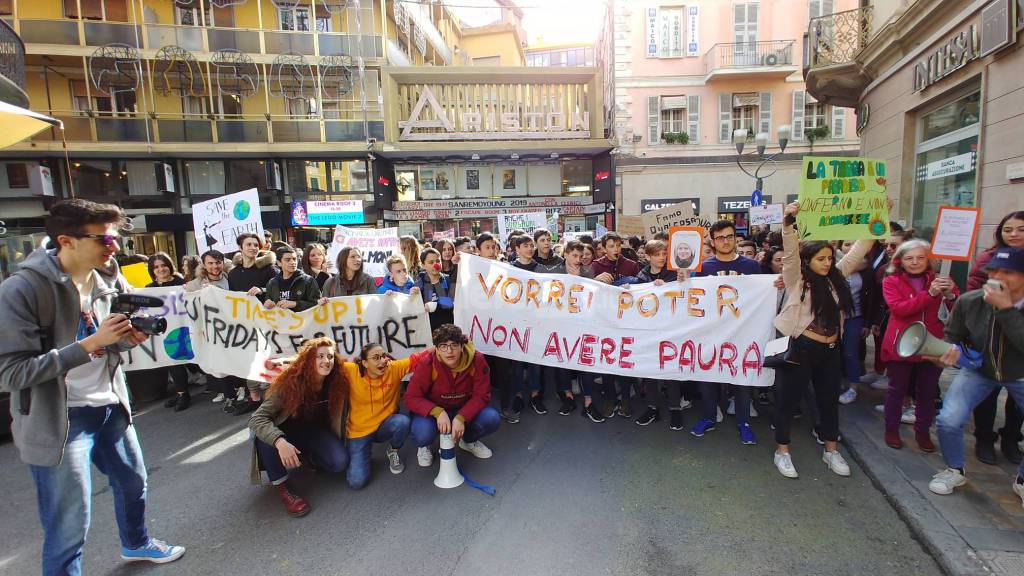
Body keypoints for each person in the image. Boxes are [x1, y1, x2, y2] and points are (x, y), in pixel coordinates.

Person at [0, 199, 185, 572]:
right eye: (103, 240)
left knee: (134, 483)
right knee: (69, 521)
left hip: (110, 405)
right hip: (59, 420)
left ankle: (137, 543)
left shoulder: (110, 279)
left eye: (115, 238)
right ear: (66, 241)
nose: (114, 248)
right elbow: (12, 373)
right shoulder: (21, 289)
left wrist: (123, 340)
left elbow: (107, 339)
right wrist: (91, 344)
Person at [772, 201, 875, 479]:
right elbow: (791, 254)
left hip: (830, 348)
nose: (827, 263)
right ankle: (782, 451)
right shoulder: (796, 279)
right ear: (809, 261)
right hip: (801, 347)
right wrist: (788, 224)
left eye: (830, 258)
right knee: (788, 400)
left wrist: (878, 216)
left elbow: (859, 249)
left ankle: (831, 449)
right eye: (821, 259)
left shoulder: (836, 278)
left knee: (828, 400)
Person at [928, 246, 1024, 507]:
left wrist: (1006, 309)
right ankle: (954, 469)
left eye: (1008, 272)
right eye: (993, 270)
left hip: (1020, 374)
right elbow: (952, 336)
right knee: (949, 419)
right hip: (979, 371)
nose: (997, 277)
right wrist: (942, 353)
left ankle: (1022, 481)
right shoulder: (970, 301)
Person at [248, 337, 349, 517]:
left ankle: (308, 458)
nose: (326, 361)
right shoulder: (289, 383)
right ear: (309, 359)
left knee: (339, 462)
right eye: (320, 356)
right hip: (283, 432)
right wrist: (280, 442)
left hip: (310, 431)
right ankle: (284, 489)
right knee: (267, 441)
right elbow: (257, 419)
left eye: (330, 357)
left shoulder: (336, 380)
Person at [879, 239, 958, 451]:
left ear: (929, 259)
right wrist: (929, 294)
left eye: (921, 257)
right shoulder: (891, 281)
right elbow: (899, 309)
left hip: (931, 345)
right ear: (900, 261)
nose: (915, 262)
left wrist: (950, 295)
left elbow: (957, 311)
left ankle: (922, 432)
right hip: (902, 342)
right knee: (897, 390)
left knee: (927, 391)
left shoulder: (941, 280)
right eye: (909, 258)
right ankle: (891, 429)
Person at [691, 220, 763, 445]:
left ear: (735, 238)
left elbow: (762, 296)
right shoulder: (703, 267)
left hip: (742, 331)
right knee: (707, 376)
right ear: (713, 241)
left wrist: (775, 285)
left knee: (741, 377)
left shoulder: (751, 267)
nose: (725, 241)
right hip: (711, 332)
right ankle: (709, 416)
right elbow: (694, 299)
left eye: (730, 236)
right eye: (720, 237)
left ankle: (743, 422)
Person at [967, 211, 1024, 464]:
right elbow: (972, 291)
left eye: (1021, 229)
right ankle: (984, 438)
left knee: (1017, 395)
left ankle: (1012, 438)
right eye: (1008, 229)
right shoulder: (987, 258)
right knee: (986, 389)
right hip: (990, 338)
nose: (1014, 234)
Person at [404, 324, 501, 466]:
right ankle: (424, 446)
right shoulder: (427, 363)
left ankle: (468, 440)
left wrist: (462, 417)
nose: (449, 351)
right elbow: (411, 397)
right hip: (434, 411)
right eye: (443, 346)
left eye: (454, 345)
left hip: (462, 408)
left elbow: (482, 395)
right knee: (422, 434)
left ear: (462, 346)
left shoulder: (477, 360)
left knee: (491, 418)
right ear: (437, 349)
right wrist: (437, 412)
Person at [341, 341, 432, 489]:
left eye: (383, 356)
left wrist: (444, 343)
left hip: (385, 426)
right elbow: (327, 362)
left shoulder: (393, 368)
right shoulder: (351, 371)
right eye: (376, 358)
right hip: (358, 433)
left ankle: (393, 450)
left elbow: (420, 357)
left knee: (403, 422)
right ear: (364, 362)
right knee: (356, 482)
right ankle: (362, 453)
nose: (383, 360)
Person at [631, 239, 691, 430]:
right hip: (649, 331)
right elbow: (637, 298)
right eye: (657, 255)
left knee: (670, 369)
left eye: (664, 254)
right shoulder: (641, 276)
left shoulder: (674, 273)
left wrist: (671, 284)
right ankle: (652, 407)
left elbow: (684, 290)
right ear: (647, 256)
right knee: (650, 370)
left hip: (670, 329)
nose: (662, 258)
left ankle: (675, 408)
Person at [227, 232, 279, 415]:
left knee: (268, 359)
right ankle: (254, 399)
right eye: (249, 244)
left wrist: (263, 290)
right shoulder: (233, 274)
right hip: (245, 324)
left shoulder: (269, 270)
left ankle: (272, 399)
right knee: (248, 361)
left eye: (256, 245)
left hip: (266, 323)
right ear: (241, 248)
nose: (253, 248)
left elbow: (279, 289)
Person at [591, 232, 641, 417]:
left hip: (626, 321)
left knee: (624, 362)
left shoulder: (631, 265)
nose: (616, 249)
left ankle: (626, 399)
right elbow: (586, 291)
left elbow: (643, 290)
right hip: (604, 321)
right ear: (603, 248)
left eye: (618, 245)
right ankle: (610, 398)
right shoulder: (595, 266)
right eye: (611, 246)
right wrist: (595, 280)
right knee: (607, 362)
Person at [145, 253, 194, 412]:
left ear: (169, 265)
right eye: (156, 267)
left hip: (184, 328)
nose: (161, 269)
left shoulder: (181, 283)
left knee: (190, 361)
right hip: (164, 332)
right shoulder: (149, 289)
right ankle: (182, 393)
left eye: (163, 265)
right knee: (173, 362)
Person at [836, 239, 879, 406]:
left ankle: (853, 387)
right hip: (832, 319)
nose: (851, 248)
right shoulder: (830, 266)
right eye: (847, 244)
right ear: (840, 247)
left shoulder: (867, 270)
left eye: (855, 244)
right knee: (832, 353)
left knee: (851, 353)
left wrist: (868, 323)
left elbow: (872, 299)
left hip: (855, 318)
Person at [506, 235, 545, 417]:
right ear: (517, 249)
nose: (530, 248)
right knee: (517, 362)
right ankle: (519, 395)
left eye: (531, 245)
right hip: (516, 322)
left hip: (536, 323)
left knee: (535, 361)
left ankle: (536, 395)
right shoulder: (509, 270)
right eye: (525, 246)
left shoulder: (542, 270)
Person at [265, 245, 322, 313]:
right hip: (279, 322)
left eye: (294, 259)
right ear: (279, 263)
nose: (292, 262)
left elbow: (317, 304)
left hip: (302, 322)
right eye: (288, 260)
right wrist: (268, 304)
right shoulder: (272, 283)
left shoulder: (308, 281)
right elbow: (268, 304)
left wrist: (295, 304)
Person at [415, 247, 456, 330]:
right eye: (431, 262)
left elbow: (452, 301)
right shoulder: (418, 284)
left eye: (438, 261)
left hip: (449, 329)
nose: (436, 265)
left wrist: (435, 304)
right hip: (429, 331)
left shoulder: (448, 280)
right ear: (423, 265)